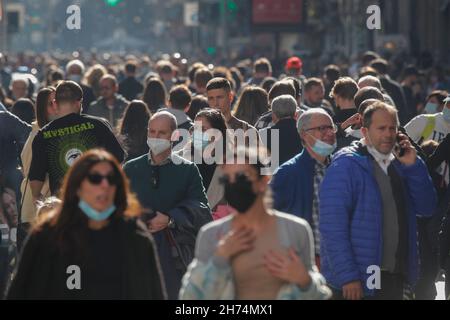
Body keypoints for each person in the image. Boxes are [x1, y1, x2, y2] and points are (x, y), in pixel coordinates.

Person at [7, 149, 167, 299]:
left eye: (111, 179)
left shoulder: (135, 238)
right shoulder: (47, 237)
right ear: (77, 187)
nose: (104, 185)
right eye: (95, 178)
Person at [319, 102, 437, 300]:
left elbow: (427, 207)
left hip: (394, 276)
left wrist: (414, 166)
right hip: (356, 280)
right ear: (365, 131)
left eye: (392, 128)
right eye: (381, 128)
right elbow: (332, 227)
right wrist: (348, 276)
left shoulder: (402, 162)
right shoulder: (345, 165)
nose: (388, 134)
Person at [179, 147, 331, 300]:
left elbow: (318, 294)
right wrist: (219, 259)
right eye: (226, 179)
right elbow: (190, 297)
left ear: (263, 181)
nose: (234, 184)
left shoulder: (296, 230)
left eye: (241, 177)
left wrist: (304, 281)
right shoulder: (212, 235)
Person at [123, 111, 211, 299]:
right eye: (152, 132)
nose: (155, 137)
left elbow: (202, 208)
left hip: (173, 254)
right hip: (136, 251)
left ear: (174, 136)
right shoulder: (131, 168)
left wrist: (171, 218)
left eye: (161, 133)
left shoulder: (187, 169)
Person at [29, 81, 125, 200]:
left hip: (63, 205)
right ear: (79, 102)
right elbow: (118, 161)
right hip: (97, 200)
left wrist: (44, 203)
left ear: (55, 103)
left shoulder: (42, 135)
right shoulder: (98, 125)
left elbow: (36, 184)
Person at [271, 108, 337, 266]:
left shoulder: (342, 166)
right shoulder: (288, 173)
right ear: (303, 134)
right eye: (322, 128)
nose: (329, 133)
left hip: (340, 259)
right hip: (307, 262)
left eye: (331, 127)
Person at [19, 87, 57, 243]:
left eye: (57, 102)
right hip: (36, 206)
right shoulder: (37, 134)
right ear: (42, 108)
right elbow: (28, 168)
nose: (56, 106)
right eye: (51, 103)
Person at [181, 108, 232, 219]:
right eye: (195, 129)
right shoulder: (181, 158)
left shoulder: (231, 163)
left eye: (203, 129)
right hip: (186, 225)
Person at [260, 95, 303, 166]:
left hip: (272, 175)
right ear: (295, 114)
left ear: (273, 115)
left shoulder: (263, 135)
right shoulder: (305, 133)